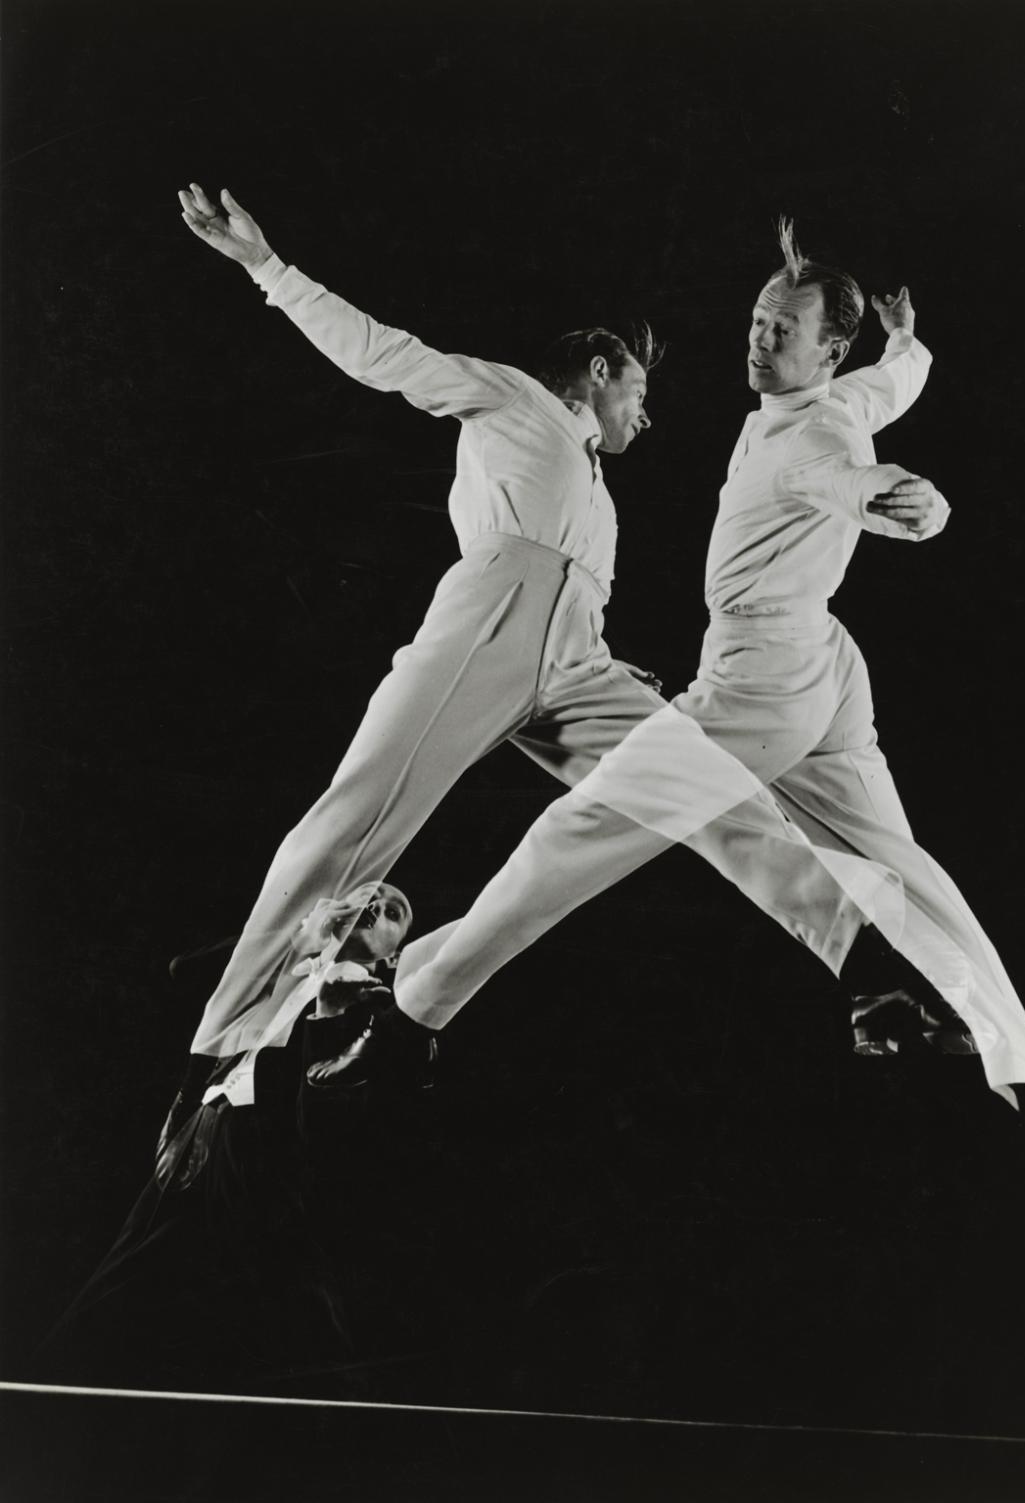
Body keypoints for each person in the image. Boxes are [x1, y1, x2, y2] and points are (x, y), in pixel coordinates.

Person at [312, 222, 1025, 1245]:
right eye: (759, 320)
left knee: (578, 833)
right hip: (824, 670)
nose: (760, 340)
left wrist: (910, 502)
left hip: (758, 682)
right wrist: (907, 344)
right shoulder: (838, 397)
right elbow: (892, 388)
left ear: (827, 349)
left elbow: (856, 479)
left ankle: (409, 1015)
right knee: (904, 873)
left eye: (784, 330)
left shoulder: (812, 439)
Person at [172, 184, 919, 1078]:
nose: (646, 413)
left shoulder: (598, 492)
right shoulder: (512, 398)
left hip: (576, 661)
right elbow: (381, 352)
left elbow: (573, 598)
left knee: (707, 785)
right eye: (638, 390)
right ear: (598, 370)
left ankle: (867, 965)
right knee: (359, 815)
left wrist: (904, 348)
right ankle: (220, 1050)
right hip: (491, 619)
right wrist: (268, 267)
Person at [39, 884, 421, 1395]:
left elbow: (335, 1129)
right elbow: (184, 971)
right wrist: (296, 941)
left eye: (393, 912)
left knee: (296, 1322)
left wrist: (329, 1016)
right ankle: (36, 1394)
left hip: (271, 1161)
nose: (375, 907)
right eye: (368, 894)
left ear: (393, 955)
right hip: (201, 1134)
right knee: (120, 1284)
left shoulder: (381, 1013)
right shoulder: (291, 957)